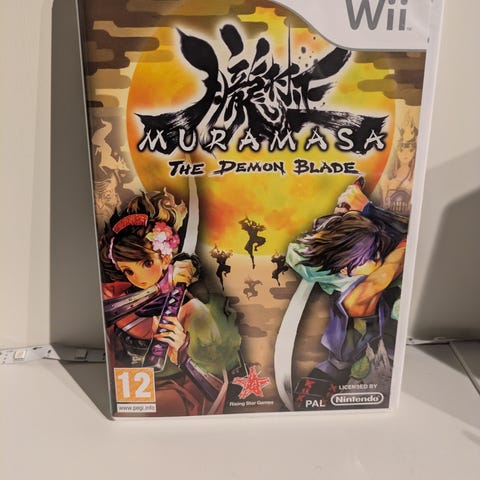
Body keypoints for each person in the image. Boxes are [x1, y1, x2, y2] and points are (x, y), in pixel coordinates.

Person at [99, 189, 239, 416]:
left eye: (146, 264)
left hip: (175, 395)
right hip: (125, 387)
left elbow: (218, 387)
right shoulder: (117, 296)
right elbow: (105, 315)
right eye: (127, 271)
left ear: (165, 258)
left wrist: (183, 355)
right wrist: (159, 288)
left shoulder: (192, 311)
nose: (137, 278)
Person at [287, 183, 408, 408]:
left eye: (378, 255)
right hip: (354, 372)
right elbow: (401, 253)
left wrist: (347, 213)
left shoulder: (344, 277)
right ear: (345, 269)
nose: (378, 261)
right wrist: (368, 209)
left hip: (362, 364)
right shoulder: (359, 295)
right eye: (372, 258)